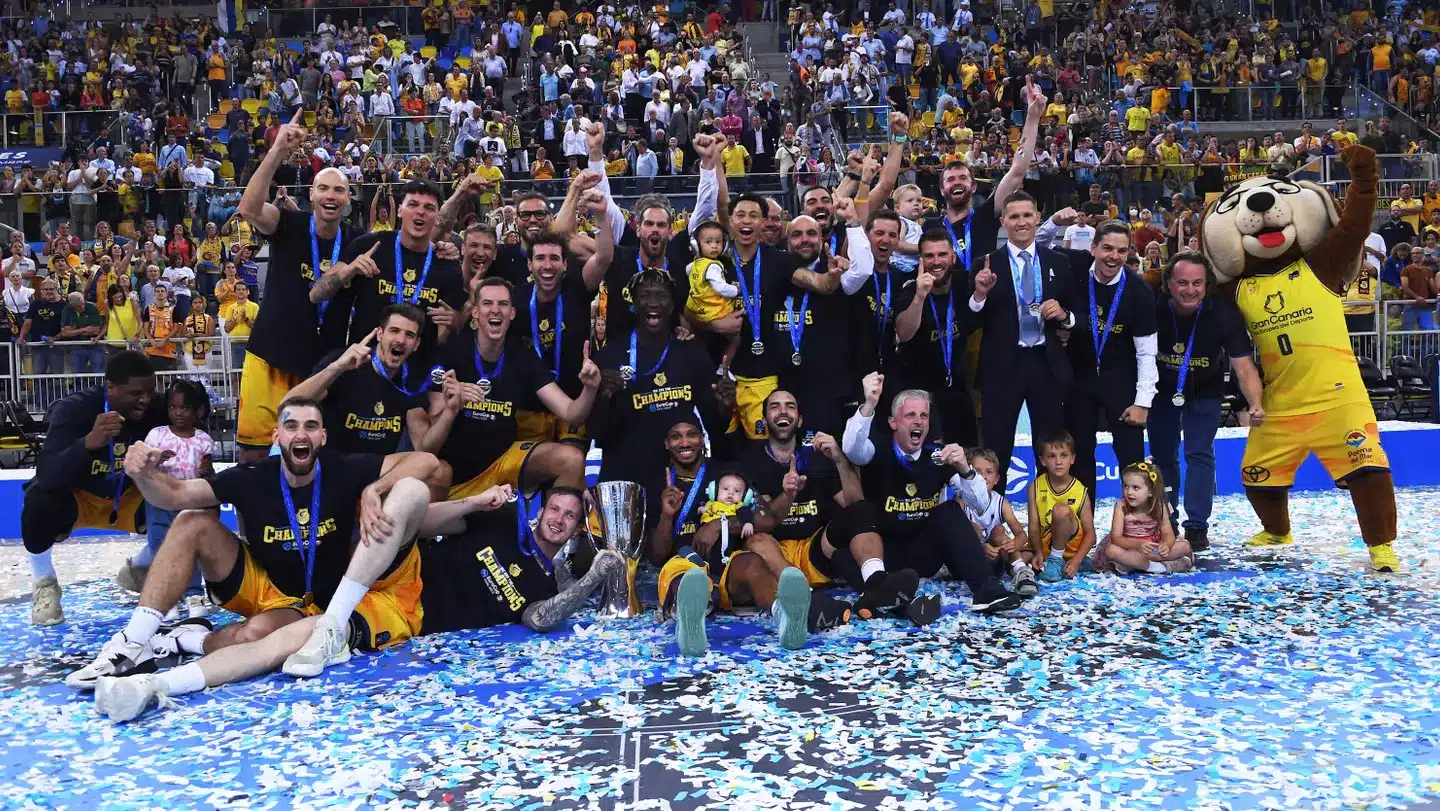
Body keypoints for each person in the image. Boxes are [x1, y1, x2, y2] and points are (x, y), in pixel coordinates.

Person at [67, 396, 439, 693]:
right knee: (191, 521)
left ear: (323, 438)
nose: (301, 434)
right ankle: (132, 642)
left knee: (255, 637)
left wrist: (376, 488)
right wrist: (143, 473)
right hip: (265, 586)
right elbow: (174, 494)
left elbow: (424, 460)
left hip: (317, 601)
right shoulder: (251, 477)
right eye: (291, 426)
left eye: (310, 427)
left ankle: (189, 640)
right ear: (277, 436)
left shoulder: (343, 468)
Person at [648, 414, 851, 656]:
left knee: (752, 563)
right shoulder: (659, 484)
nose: (684, 442)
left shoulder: (728, 472)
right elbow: (657, 556)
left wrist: (720, 524)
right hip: (684, 561)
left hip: (727, 564)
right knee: (687, 579)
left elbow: (766, 519)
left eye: (691, 434)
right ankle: (689, 624)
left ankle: (785, 616)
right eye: (676, 437)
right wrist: (667, 515)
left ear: (702, 439)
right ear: (666, 444)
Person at [838, 373, 1023, 615]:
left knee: (949, 511)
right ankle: (896, 602)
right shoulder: (877, 449)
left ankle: (986, 590)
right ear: (893, 423)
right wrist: (869, 404)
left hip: (923, 554)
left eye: (923, 416)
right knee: (842, 557)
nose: (918, 422)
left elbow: (980, 503)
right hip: (883, 553)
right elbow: (851, 448)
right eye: (910, 415)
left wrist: (965, 468)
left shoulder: (937, 456)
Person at [236, 110, 356, 462]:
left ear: (348, 199)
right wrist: (278, 150)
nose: (331, 195)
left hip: (320, 368)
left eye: (339, 190)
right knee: (253, 457)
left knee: (314, 458)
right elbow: (249, 208)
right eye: (323, 188)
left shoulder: (356, 242)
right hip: (269, 356)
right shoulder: (289, 223)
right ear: (312, 195)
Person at [22, 352, 168, 625]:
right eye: (136, 393)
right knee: (37, 497)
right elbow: (48, 474)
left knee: (185, 492)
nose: (146, 399)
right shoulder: (74, 409)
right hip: (80, 497)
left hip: (131, 496)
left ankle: (139, 568)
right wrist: (88, 442)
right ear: (110, 387)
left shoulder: (160, 408)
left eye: (150, 390)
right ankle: (44, 583)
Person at [423, 277, 599, 497]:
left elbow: (572, 414)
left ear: (512, 313)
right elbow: (427, 447)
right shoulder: (451, 354)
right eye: (487, 303)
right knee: (435, 472)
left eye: (503, 304)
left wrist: (590, 388)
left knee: (571, 460)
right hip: (454, 474)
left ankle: (550, 519)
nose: (495, 310)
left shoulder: (523, 357)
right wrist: (451, 409)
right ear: (475, 312)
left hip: (503, 464)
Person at [1149, 253, 1263, 552]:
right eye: (1182, 283)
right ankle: (1166, 521)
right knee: (1163, 456)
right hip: (1161, 390)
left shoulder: (1223, 313)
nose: (1190, 290)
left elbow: (1243, 365)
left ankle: (1197, 526)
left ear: (1206, 285)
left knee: (1199, 453)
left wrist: (1255, 403)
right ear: (1168, 284)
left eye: (1197, 283)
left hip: (1206, 390)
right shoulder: (1153, 306)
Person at [969, 192, 1076, 486]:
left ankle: (1050, 511)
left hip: (1046, 365)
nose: (1021, 222)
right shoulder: (985, 264)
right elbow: (969, 321)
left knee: (1051, 450)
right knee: (995, 449)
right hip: (1002, 366)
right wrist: (979, 295)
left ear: (1038, 218)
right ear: (1003, 222)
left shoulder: (1059, 262)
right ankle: (992, 512)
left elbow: (1076, 314)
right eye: (1014, 217)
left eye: (1027, 215)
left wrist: (1065, 315)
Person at [590, 268, 732, 483]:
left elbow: (714, 426)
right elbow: (596, 433)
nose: (654, 303)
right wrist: (602, 397)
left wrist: (725, 406)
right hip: (627, 474)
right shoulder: (610, 356)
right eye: (645, 296)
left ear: (672, 305)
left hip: (681, 477)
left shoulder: (692, 352)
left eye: (661, 295)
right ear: (633, 303)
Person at [1051, 218, 1157, 497]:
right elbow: (1034, 247)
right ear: (1094, 248)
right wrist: (1053, 222)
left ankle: (1136, 521)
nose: (1114, 257)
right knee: (1080, 457)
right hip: (1079, 378)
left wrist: (1142, 402)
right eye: (1107, 248)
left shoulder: (1139, 291)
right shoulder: (1074, 269)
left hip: (1121, 380)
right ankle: (1083, 522)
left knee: (1131, 460)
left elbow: (1147, 352)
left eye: (1121, 251)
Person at [314, 180, 465, 367]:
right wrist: (348, 270)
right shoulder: (369, 246)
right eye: (413, 204)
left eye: (429, 208)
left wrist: (453, 324)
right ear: (400, 210)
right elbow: (316, 294)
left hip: (416, 372)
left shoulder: (446, 262)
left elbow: (449, 329)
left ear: (437, 218)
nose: (420, 212)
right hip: (364, 367)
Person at [283, 304, 445, 462]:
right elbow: (287, 405)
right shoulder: (344, 361)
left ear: (416, 344)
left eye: (409, 335)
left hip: (378, 468)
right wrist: (337, 367)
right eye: (394, 331)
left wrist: (450, 410)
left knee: (438, 470)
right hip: (333, 463)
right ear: (380, 334)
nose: (401, 340)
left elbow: (425, 451)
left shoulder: (411, 380)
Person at [739, 390, 862, 589]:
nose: (783, 411)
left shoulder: (817, 456)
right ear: (764, 421)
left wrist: (839, 458)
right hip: (772, 551)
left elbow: (856, 506)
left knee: (859, 518)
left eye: (790, 406)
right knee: (756, 541)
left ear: (800, 420)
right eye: (775, 406)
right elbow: (765, 522)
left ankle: (875, 582)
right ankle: (803, 592)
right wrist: (788, 495)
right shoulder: (751, 461)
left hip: (813, 549)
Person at [116, 380, 215, 594]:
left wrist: (207, 470)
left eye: (185, 408)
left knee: (189, 546)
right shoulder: (157, 435)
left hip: (190, 501)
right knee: (160, 546)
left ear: (197, 411)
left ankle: (193, 593)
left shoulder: (204, 440)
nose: (178, 412)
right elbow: (144, 466)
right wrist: (157, 458)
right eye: (173, 407)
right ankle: (164, 592)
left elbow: (208, 474)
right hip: (159, 501)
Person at [895, 228, 980, 446]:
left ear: (953, 256)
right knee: (933, 456)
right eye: (929, 256)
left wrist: (981, 293)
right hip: (921, 392)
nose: (936, 262)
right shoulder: (910, 289)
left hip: (958, 388)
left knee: (968, 452)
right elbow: (904, 333)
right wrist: (920, 297)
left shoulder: (965, 283)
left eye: (942, 254)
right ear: (921, 260)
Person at [1092, 462, 1194, 575]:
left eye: (1135, 488)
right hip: (1129, 548)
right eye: (1126, 486)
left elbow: (1167, 533)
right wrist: (1138, 545)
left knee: (1185, 546)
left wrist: (1166, 545)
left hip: (1152, 549)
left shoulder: (1159, 506)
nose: (1129, 492)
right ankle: (1155, 567)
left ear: (1151, 491)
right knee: (1111, 550)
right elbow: (1116, 538)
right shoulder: (1121, 506)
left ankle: (1136, 564)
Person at [966, 448, 1038, 596]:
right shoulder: (962, 500)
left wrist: (1014, 545)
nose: (983, 476)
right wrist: (980, 546)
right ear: (968, 476)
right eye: (977, 471)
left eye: (989, 472)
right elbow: (956, 538)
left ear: (997, 479)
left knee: (998, 531)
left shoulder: (1001, 503)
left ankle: (1022, 572)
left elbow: (1022, 535)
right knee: (972, 528)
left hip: (996, 560)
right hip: (970, 561)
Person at [1026, 431, 1096, 583]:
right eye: (1052, 456)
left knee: (1061, 510)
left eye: (1063, 455)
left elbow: (1091, 535)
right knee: (1018, 558)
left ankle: (1059, 560)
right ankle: (1050, 561)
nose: (1058, 461)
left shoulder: (1081, 491)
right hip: (1045, 546)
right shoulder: (1034, 487)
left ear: (1072, 458)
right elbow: (1033, 527)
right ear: (1042, 460)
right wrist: (1038, 553)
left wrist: (1076, 560)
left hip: (1071, 549)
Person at [682, 218, 742, 361]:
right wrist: (735, 289)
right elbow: (720, 288)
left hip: (695, 308)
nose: (714, 246)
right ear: (696, 245)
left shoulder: (695, 264)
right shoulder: (713, 266)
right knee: (736, 338)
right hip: (713, 311)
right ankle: (724, 366)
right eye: (708, 242)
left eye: (718, 242)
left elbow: (687, 271)